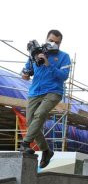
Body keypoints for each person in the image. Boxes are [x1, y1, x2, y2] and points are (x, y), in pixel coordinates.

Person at [19, 30, 71, 169]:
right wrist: (24, 73)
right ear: (46, 38)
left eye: (57, 42)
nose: (53, 43)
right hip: (35, 91)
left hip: (53, 91)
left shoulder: (64, 57)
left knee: (40, 114)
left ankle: (25, 143)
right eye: (51, 40)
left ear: (60, 43)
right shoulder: (36, 53)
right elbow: (25, 73)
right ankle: (46, 151)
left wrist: (48, 63)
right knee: (31, 122)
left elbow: (63, 76)